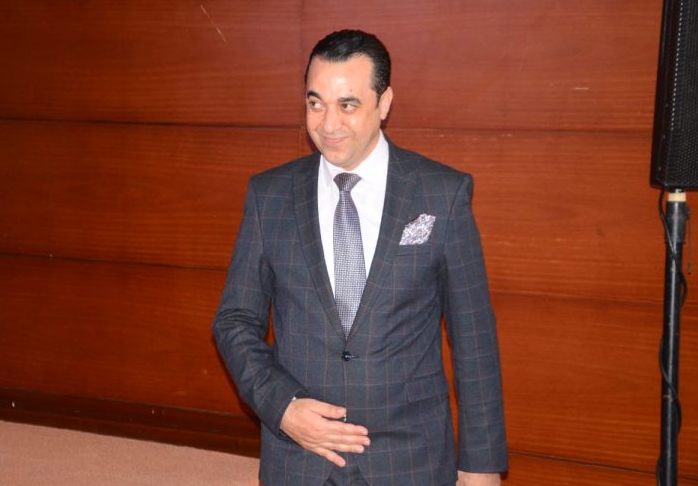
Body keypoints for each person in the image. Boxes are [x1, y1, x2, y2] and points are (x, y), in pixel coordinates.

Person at [213, 29, 507, 486]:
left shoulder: (441, 194)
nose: (328, 124)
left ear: (384, 103)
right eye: (315, 103)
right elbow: (234, 321)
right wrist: (283, 408)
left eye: (347, 105)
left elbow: (474, 338)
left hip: (409, 456)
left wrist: (481, 465)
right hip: (301, 455)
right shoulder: (269, 195)